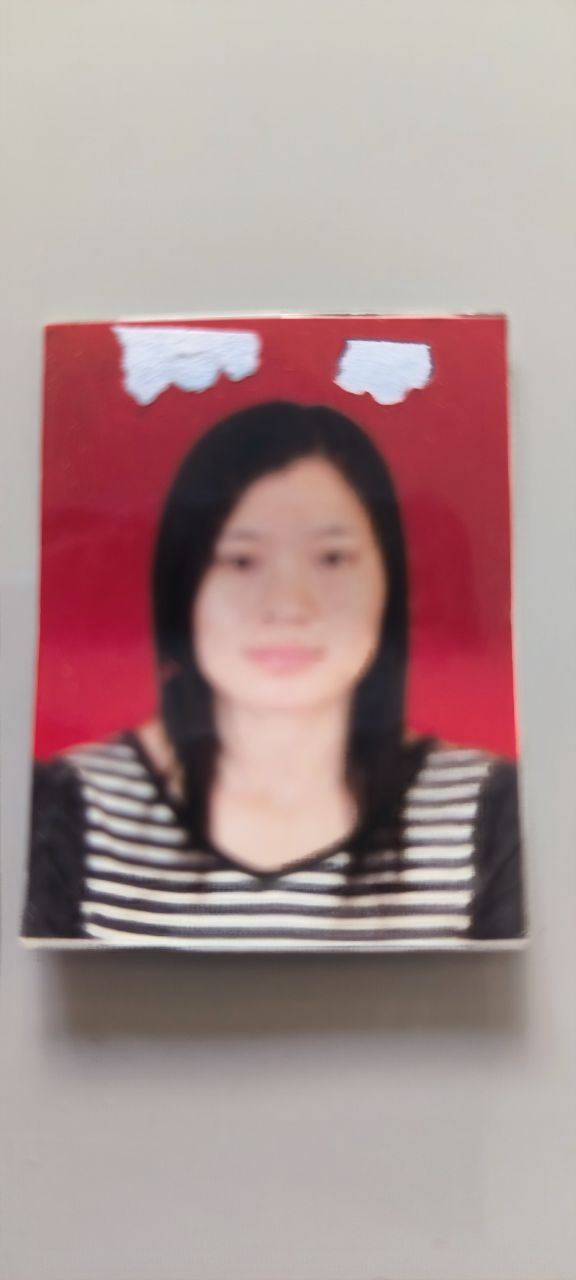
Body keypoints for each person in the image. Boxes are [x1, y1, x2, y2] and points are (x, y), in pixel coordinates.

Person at [22, 401, 525, 948]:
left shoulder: (487, 810)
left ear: (389, 585)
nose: (288, 606)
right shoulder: (70, 805)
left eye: (332, 558)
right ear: (182, 587)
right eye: (241, 560)